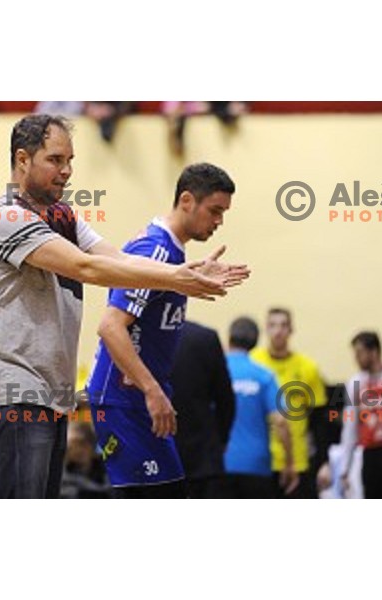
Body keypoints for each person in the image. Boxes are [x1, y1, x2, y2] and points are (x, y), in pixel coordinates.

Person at [0, 115, 249, 499]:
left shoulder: (63, 217)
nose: (66, 171)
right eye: (55, 160)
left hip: (50, 393)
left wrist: (184, 270)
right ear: (22, 160)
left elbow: (119, 260)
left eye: (70, 160)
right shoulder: (8, 217)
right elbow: (89, 268)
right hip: (16, 391)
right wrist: (174, 279)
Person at [86, 163, 250, 498]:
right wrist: (152, 391)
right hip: (123, 400)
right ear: (187, 200)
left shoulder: (172, 254)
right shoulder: (155, 250)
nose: (219, 221)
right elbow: (110, 327)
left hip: (136, 399)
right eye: (215, 210)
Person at [251, 308, 327, 498]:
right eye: (273, 325)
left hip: (298, 461)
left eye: (284, 325)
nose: (278, 331)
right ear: (266, 329)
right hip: (262, 460)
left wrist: (324, 462)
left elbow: (319, 421)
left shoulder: (308, 367)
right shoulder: (254, 362)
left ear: (291, 330)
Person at [224, 317, 297, 499]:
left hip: (219, 463)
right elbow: (281, 421)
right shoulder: (264, 376)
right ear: (255, 343)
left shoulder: (214, 372)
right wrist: (289, 463)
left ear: (229, 338)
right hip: (256, 464)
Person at [170, 321, 235, 498]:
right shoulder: (205, 338)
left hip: (154, 453)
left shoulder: (136, 335)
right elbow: (225, 398)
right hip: (202, 455)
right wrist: (220, 440)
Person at [325, 332, 382, 498]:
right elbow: (350, 428)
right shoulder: (356, 383)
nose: (356, 358)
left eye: (359, 353)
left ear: (374, 352)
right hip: (371, 453)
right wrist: (345, 468)